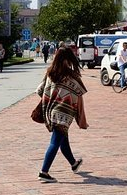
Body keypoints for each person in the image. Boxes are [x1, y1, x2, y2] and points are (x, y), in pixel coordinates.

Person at [36, 47, 88, 183]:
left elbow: (40, 90)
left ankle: (73, 163)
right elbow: (79, 96)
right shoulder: (72, 76)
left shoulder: (50, 72)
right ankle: (44, 171)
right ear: (68, 59)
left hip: (50, 111)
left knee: (62, 139)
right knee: (55, 142)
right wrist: (81, 117)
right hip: (64, 113)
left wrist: (53, 96)